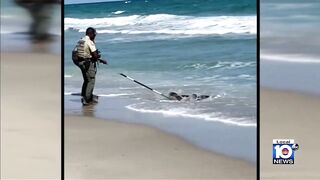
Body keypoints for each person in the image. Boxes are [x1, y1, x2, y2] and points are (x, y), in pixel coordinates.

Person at [72, 27, 107, 105]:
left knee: (86, 79)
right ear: (91, 34)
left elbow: (77, 51)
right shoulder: (89, 42)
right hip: (86, 62)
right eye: (94, 34)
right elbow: (94, 55)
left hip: (79, 62)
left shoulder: (81, 40)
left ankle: (84, 96)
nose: (95, 35)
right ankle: (87, 99)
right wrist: (99, 57)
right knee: (91, 79)